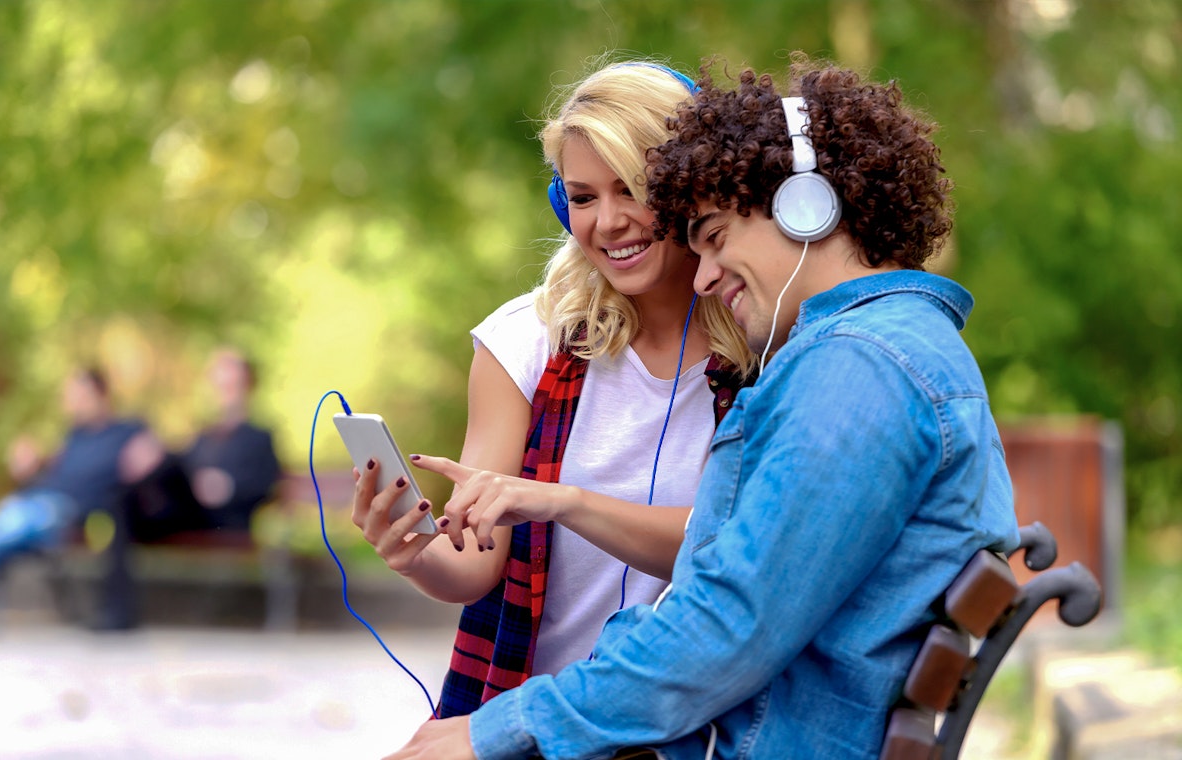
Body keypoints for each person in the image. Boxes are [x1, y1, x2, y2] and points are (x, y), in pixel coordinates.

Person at [385, 54, 1021, 760]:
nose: (708, 275)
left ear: (803, 207)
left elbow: (725, 631)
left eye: (715, 237)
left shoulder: (858, 369)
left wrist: (493, 730)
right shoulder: (869, 355)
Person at [350, 60, 753, 718]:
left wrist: (563, 501)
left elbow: (741, 543)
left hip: (697, 715)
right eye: (585, 197)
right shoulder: (525, 341)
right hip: (539, 710)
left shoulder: (762, 338)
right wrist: (416, 551)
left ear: (694, 187)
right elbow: (473, 561)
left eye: (632, 188)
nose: (609, 221)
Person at [0, 366, 159, 628]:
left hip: (68, 513)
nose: (73, 403)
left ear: (100, 394)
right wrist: (30, 465)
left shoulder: (128, 432)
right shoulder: (74, 436)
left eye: (79, 395)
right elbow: (52, 472)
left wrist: (149, 457)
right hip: (39, 506)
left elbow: (155, 462)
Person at [130, 347, 282, 539]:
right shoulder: (202, 437)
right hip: (187, 516)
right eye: (220, 385)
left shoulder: (258, 438)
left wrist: (228, 488)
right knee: (144, 478)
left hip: (227, 522)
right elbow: (181, 472)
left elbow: (267, 486)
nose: (225, 392)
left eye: (232, 385)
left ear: (248, 386)